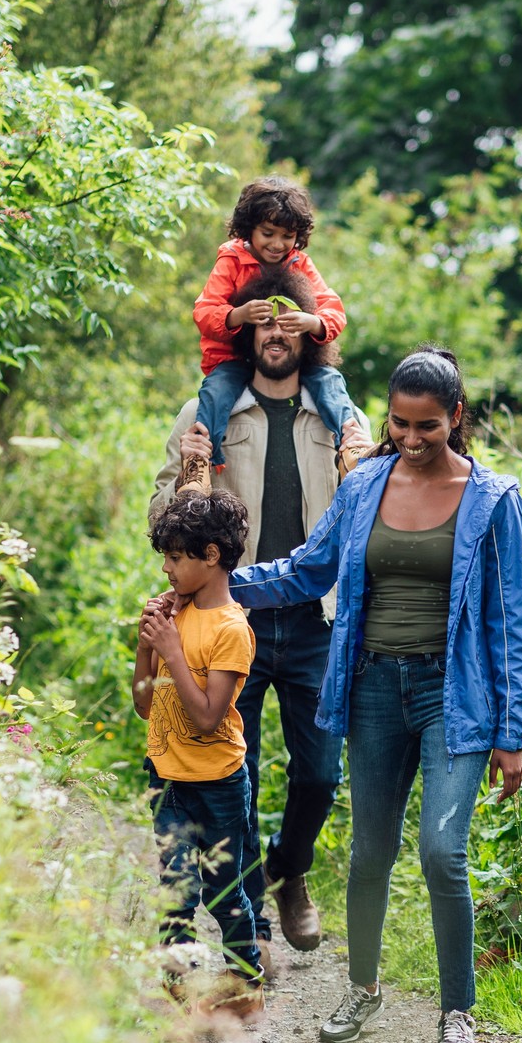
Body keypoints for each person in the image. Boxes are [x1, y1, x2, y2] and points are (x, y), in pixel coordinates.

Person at [231, 346, 522, 1043]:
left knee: (441, 851)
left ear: (456, 418)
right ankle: (363, 990)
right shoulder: (366, 484)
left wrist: (512, 730)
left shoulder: (493, 501)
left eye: (427, 425)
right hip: (372, 687)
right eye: (399, 423)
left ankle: (457, 1011)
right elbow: (311, 568)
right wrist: (223, 585)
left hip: (454, 697)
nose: (409, 437)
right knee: (369, 854)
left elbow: (511, 621)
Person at [151, 268, 372, 968]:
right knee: (231, 776)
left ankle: (290, 868)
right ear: (244, 328)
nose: (275, 335)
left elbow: (370, 502)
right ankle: (255, 927)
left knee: (318, 777)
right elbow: (162, 516)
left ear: (308, 331)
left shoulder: (342, 417)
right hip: (230, 613)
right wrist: (191, 477)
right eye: (263, 322)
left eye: (288, 322)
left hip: (315, 616)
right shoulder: (206, 412)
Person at [133, 491, 263, 1016]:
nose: (166, 569)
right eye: (164, 557)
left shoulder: (232, 629)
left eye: (176, 557)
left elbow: (208, 717)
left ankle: (243, 984)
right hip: (167, 778)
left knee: (224, 890)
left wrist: (169, 650)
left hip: (219, 783)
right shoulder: (173, 616)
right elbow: (145, 705)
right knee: (176, 892)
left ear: (211, 556)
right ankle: (174, 993)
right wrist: (147, 644)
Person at [192, 176, 352, 470]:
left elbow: (334, 310)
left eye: (287, 236)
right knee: (215, 392)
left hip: (292, 358)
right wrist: (238, 314)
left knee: (330, 383)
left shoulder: (300, 263)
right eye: (268, 233)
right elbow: (204, 310)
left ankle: (350, 448)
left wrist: (312, 322)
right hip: (234, 356)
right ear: (249, 228)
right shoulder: (231, 260)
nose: (278, 244)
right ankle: (203, 461)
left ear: (298, 236)